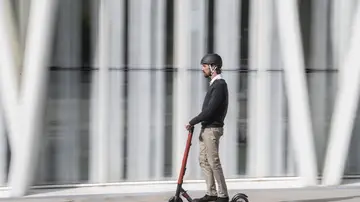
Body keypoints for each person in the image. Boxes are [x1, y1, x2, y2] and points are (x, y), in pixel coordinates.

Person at [185, 53, 229, 202]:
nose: (203, 69)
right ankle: (211, 193)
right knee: (203, 160)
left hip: (212, 129)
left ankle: (223, 195)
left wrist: (193, 121)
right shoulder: (214, 85)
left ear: (213, 67)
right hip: (206, 128)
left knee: (213, 161)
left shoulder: (220, 85)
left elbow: (210, 110)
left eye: (204, 66)